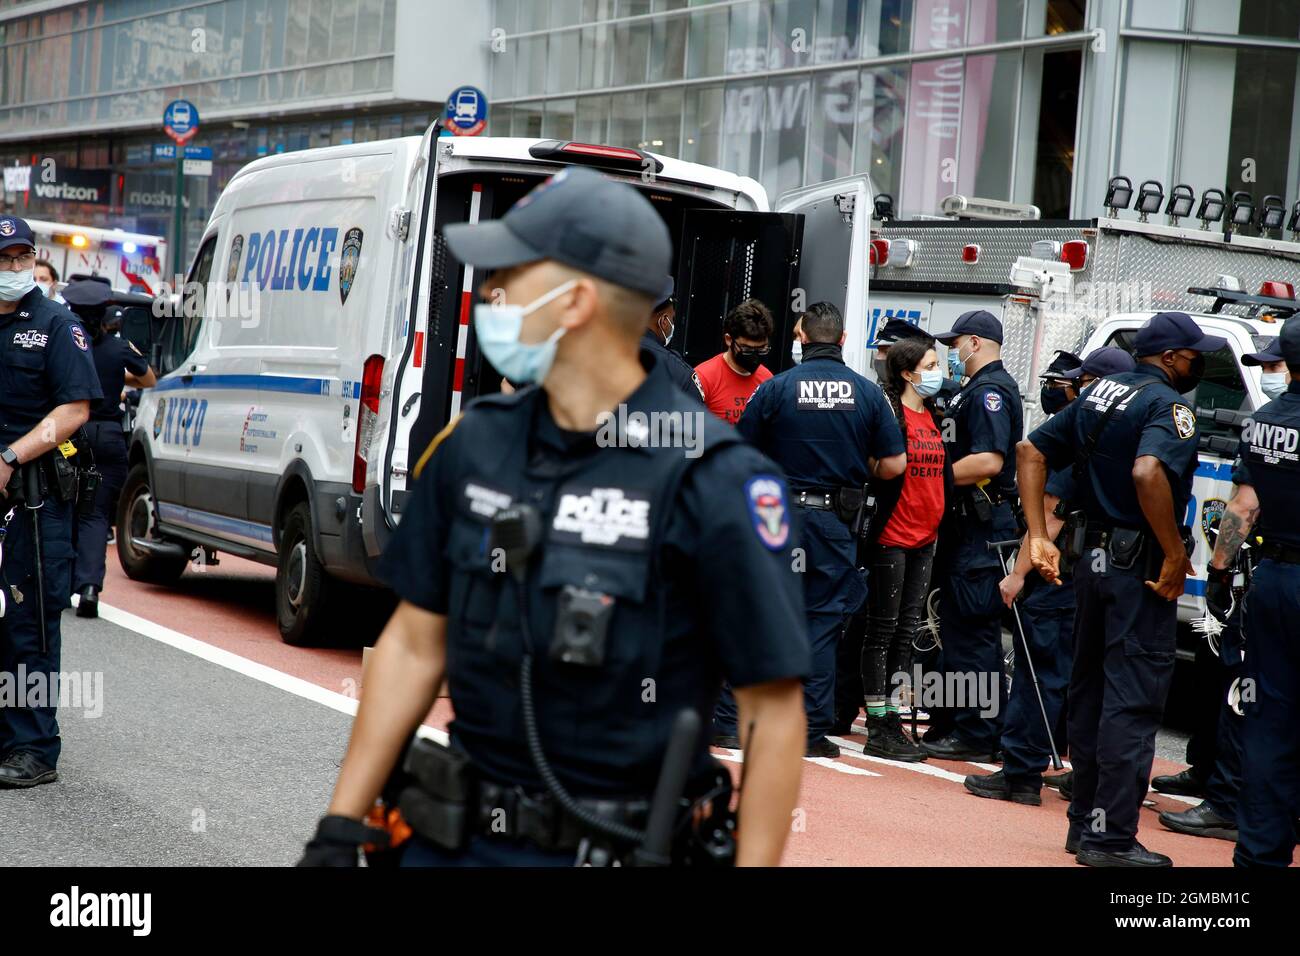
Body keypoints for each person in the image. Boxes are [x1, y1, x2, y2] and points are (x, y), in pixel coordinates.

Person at [299, 167, 809, 867]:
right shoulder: (475, 444)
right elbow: (414, 645)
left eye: (509, 272)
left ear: (575, 301)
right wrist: (341, 826)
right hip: (457, 845)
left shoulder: (716, 479)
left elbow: (771, 711)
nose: (488, 292)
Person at [1020, 311, 1223, 867]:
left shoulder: (1099, 393)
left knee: (1089, 695)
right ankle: (1108, 839)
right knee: (1130, 703)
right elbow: (1147, 472)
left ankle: (1085, 825)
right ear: (1172, 358)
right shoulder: (1168, 405)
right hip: (1140, 569)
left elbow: (1030, 452)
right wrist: (1177, 553)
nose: (1197, 364)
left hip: (1093, 561)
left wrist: (1039, 536)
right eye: (1193, 354)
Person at [734, 301, 906, 758]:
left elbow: (739, 454)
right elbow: (894, 464)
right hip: (833, 521)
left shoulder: (775, 388)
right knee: (823, 621)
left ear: (801, 336)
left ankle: (739, 721)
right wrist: (859, 464)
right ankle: (807, 730)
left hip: (778, 518)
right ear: (844, 340)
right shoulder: (868, 394)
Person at [965, 346, 1136, 806]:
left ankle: (1020, 773)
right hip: (1106, 574)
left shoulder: (1079, 437)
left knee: (1039, 674)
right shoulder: (1132, 434)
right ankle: (1085, 776)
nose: (1072, 390)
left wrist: (1017, 575)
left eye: (1081, 383)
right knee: (1087, 680)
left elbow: (1049, 515)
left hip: (1055, 573)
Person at [0, 216, 103, 788]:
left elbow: (75, 410)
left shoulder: (58, 325)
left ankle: (34, 748)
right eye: (4, 258)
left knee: (29, 622)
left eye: (22, 257)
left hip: (34, 499)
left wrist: (11, 457)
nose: (14, 267)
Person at [1201, 317, 1300, 867]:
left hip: (1273, 581)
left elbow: (1241, 509)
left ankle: (1260, 856)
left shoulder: (1265, 421)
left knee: (1269, 722)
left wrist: (1219, 574)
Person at [921, 310, 1023, 762]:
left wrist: (930, 476)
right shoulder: (973, 391)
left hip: (981, 530)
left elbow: (988, 462)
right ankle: (950, 722)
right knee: (955, 629)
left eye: (956, 343)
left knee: (975, 634)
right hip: (964, 526)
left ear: (977, 343)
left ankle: (978, 733)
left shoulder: (991, 393)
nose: (952, 352)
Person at [853, 335, 951, 760]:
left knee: (908, 633)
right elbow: (873, 465)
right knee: (882, 630)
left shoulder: (935, 414)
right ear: (909, 373)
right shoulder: (889, 412)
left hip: (925, 539)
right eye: (930, 365)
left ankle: (893, 717)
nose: (937, 373)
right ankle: (878, 726)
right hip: (892, 535)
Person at [61, 278, 156, 619]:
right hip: (109, 438)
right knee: (96, 513)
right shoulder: (119, 347)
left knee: (64, 507)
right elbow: (150, 379)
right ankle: (90, 587)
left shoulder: (64, 342)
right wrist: (117, 379)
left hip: (70, 439)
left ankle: (59, 586)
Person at [694, 298, 774, 424]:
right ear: (729, 340)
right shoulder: (704, 377)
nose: (754, 356)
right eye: (747, 349)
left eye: (761, 349)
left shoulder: (767, 380)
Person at [872, 317, 961, 411]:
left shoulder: (947, 391)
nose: (878, 358)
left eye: (887, 353)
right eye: (878, 351)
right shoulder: (877, 394)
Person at [639, 276, 703, 400]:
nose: (672, 324)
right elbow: (695, 417)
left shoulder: (602, 351)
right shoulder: (677, 371)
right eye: (672, 319)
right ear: (663, 321)